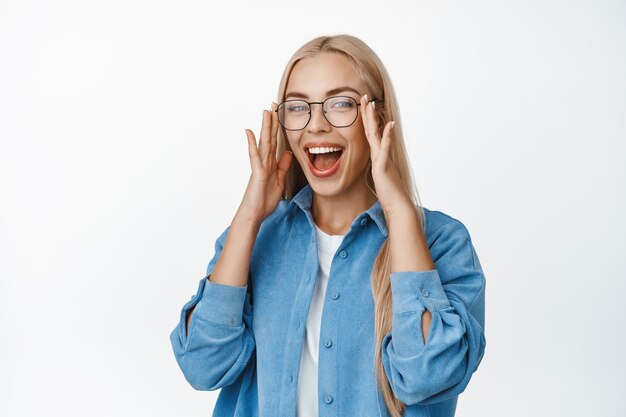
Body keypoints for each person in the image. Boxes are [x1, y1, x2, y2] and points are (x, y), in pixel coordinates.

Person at [169, 34, 486, 417]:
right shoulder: (256, 237)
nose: (316, 124)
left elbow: (426, 376)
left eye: (340, 104)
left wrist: (399, 213)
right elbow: (203, 367)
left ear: (378, 119)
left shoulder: (442, 242)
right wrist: (249, 216)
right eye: (298, 107)